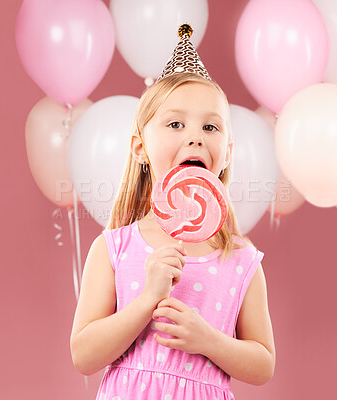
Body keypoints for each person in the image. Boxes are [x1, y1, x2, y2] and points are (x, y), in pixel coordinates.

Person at [70, 24, 275, 400]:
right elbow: (84, 354)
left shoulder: (242, 260)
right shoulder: (115, 247)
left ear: (227, 152)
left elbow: (263, 363)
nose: (194, 136)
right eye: (176, 123)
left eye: (210, 126)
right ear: (139, 148)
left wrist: (209, 340)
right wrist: (147, 299)